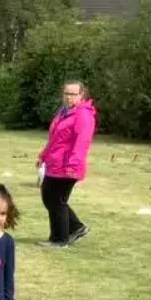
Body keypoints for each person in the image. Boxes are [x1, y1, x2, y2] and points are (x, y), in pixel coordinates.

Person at [37, 81, 97, 248]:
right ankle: (76, 228)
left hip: (67, 166)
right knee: (50, 198)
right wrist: (43, 155)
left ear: (82, 95)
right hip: (55, 163)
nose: (69, 97)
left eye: (73, 94)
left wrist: (73, 164)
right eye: (66, 93)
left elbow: (82, 142)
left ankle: (60, 239)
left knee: (56, 200)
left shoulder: (83, 115)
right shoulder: (64, 112)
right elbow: (55, 139)